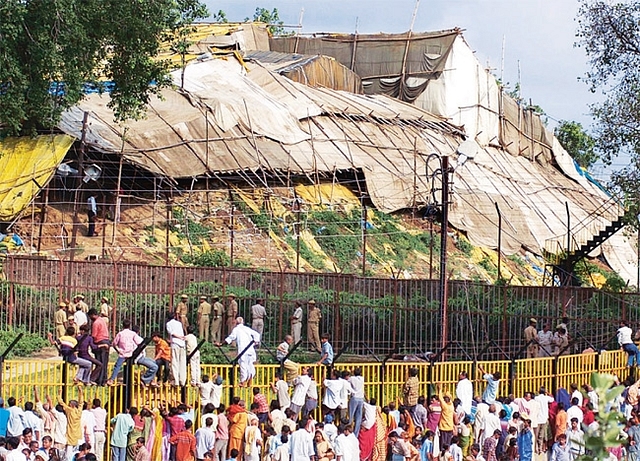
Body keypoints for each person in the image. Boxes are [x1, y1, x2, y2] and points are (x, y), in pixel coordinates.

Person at [219, 317, 260, 387]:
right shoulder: (247, 328)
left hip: (243, 350)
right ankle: (250, 379)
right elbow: (257, 334)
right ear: (243, 322)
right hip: (250, 349)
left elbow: (231, 338)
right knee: (250, 365)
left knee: (243, 365)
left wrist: (221, 344)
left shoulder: (236, 329)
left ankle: (243, 381)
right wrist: (255, 342)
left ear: (236, 323)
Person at [106, 320, 138, 386]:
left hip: (122, 354)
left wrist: (118, 350)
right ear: (130, 326)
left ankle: (111, 379)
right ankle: (133, 380)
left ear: (122, 325)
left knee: (117, 366)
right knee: (131, 367)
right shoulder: (133, 334)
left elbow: (114, 344)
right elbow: (139, 342)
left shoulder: (120, 334)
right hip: (131, 354)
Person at [57, 387, 83, 460]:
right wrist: (80, 391)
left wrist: (59, 393)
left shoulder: (69, 410)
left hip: (70, 436)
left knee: (68, 456)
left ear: (72, 405)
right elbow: (81, 403)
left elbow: (60, 402)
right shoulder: (79, 411)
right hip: (78, 435)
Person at [88, 309, 110, 386]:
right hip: (106, 341)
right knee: (105, 362)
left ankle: (99, 380)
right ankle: (103, 379)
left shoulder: (96, 323)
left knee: (100, 362)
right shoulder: (102, 320)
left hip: (100, 342)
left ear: (92, 315)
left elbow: (94, 335)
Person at [167, 313, 187, 387]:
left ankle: (176, 381)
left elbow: (172, 333)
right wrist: (182, 338)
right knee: (182, 363)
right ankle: (182, 380)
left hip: (175, 343)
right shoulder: (179, 323)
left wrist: (178, 337)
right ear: (175, 317)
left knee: (175, 362)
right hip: (182, 344)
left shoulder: (168, 324)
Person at [347, 367, 365, 436]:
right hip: (361, 398)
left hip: (354, 397)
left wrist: (351, 372)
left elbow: (347, 380)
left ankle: (349, 430)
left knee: (351, 415)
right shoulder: (362, 378)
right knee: (358, 417)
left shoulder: (352, 378)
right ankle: (356, 434)